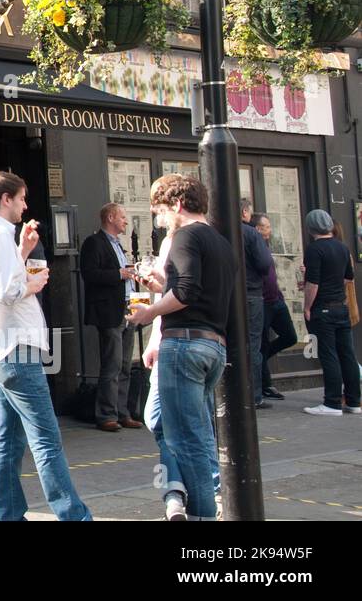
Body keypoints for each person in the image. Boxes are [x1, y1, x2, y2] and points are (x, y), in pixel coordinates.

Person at [0, 171, 90, 521]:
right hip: (16, 344)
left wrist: (23, 251)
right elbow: (7, 290)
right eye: (21, 198)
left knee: (7, 440)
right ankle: (74, 516)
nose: (25, 205)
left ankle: (8, 515)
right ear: (5, 199)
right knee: (46, 438)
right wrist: (32, 285)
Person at [129, 174, 235, 521]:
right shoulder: (220, 242)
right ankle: (183, 499)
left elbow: (187, 292)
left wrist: (149, 313)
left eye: (161, 210)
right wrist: (162, 286)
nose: (158, 219)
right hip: (212, 347)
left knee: (187, 441)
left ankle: (201, 513)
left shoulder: (185, 236)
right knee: (187, 431)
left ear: (177, 204)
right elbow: (198, 291)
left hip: (185, 345)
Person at [80, 202, 144, 432]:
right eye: (122, 217)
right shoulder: (94, 243)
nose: (126, 221)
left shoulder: (118, 244)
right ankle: (106, 414)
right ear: (110, 218)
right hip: (109, 311)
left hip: (127, 307)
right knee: (113, 364)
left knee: (126, 364)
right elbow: (89, 274)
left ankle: (123, 412)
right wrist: (119, 274)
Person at [300, 209, 360, 416]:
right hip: (341, 307)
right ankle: (354, 401)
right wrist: (333, 285)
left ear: (310, 228)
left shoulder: (314, 250)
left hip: (323, 308)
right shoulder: (342, 248)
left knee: (328, 354)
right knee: (347, 354)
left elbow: (313, 284)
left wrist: (307, 307)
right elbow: (348, 277)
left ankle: (332, 403)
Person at [254, 213, 296, 400]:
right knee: (261, 344)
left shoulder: (265, 245)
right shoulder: (254, 245)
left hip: (276, 300)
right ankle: (266, 385)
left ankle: (260, 360)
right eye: (267, 226)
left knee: (290, 336)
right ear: (258, 229)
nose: (270, 230)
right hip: (262, 302)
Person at [240, 198, 273, 410]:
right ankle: (254, 395)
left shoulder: (217, 230)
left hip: (227, 294)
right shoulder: (251, 233)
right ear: (244, 212)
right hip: (251, 293)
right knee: (252, 343)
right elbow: (264, 263)